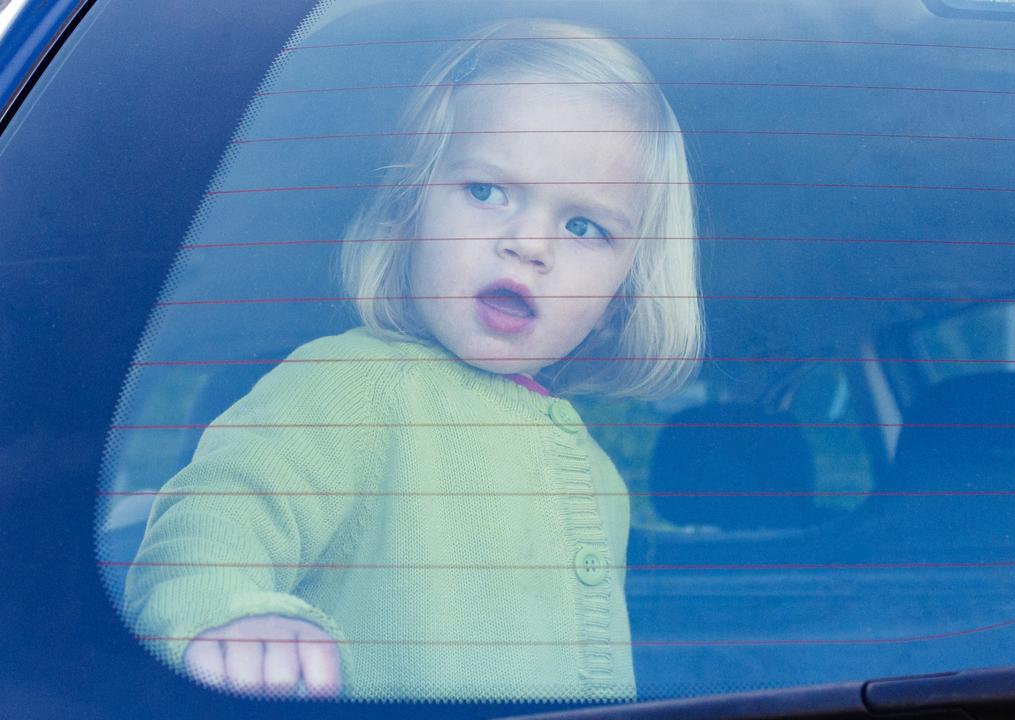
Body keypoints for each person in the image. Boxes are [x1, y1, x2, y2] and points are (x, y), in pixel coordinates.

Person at [124, 18, 703, 701]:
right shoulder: (350, 386)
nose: (528, 243)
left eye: (583, 226)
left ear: (618, 297)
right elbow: (214, 520)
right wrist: (237, 617)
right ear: (408, 215)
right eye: (487, 191)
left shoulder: (600, 481)